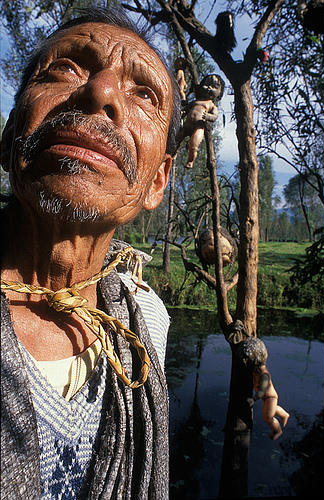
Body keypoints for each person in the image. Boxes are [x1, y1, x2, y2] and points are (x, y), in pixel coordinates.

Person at [0, 7, 181, 499]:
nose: (100, 94)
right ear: (9, 136)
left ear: (156, 182)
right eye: (66, 68)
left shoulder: (148, 319)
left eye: (143, 94)